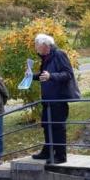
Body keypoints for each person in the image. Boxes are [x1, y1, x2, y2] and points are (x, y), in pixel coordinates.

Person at [31, 33, 80, 164]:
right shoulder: (46, 57)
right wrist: (32, 76)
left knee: (58, 127)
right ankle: (47, 152)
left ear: (44, 45)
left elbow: (68, 74)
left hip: (58, 99)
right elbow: (44, 75)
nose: (35, 47)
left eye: (36, 44)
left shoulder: (59, 54)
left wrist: (51, 76)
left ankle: (60, 156)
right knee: (47, 126)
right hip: (48, 99)